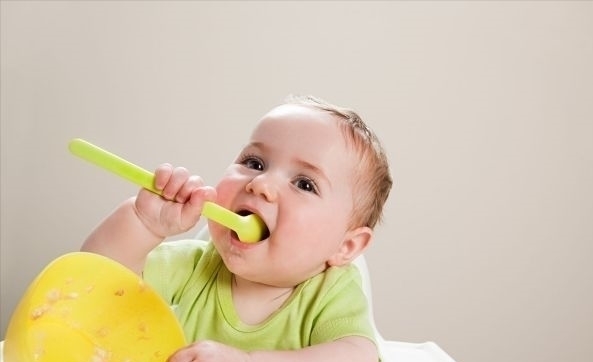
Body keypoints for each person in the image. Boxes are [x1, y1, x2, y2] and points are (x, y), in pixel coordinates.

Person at [81, 95, 393, 362]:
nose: (262, 184)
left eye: (304, 184)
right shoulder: (195, 266)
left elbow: (357, 354)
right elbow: (94, 283)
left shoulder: (330, 292)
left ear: (346, 247)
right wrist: (143, 222)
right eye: (255, 163)